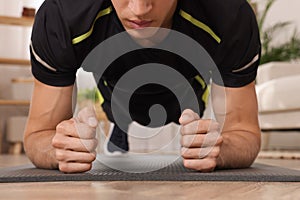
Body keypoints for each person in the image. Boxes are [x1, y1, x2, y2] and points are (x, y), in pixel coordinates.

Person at [24, 0, 261, 173]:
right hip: (116, 88)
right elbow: (37, 135)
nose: (139, 9)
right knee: (119, 110)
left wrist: (221, 148)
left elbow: (244, 133)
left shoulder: (230, 16)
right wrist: (59, 148)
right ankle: (121, 126)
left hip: (185, 92)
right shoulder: (62, 15)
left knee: (188, 111)